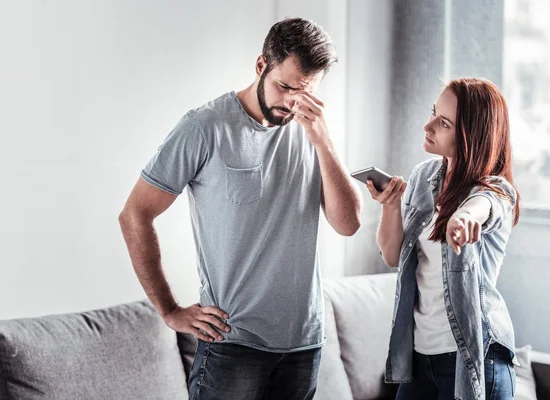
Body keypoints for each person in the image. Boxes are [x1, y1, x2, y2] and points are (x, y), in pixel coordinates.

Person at [118, 17, 361, 400]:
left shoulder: (313, 132)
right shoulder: (205, 127)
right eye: (284, 86)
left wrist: (324, 143)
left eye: (305, 92)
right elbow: (135, 214)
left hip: (305, 344)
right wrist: (169, 310)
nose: (291, 102)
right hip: (233, 344)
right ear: (261, 65)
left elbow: (348, 225)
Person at [368, 78, 520, 400]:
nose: (428, 125)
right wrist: (391, 206)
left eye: (444, 123)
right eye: (433, 113)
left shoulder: (496, 191)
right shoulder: (423, 176)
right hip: (419, 358)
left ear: (469, 136)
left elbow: (485, 206)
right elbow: (392, 255)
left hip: (475, 359)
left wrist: (464, 217)